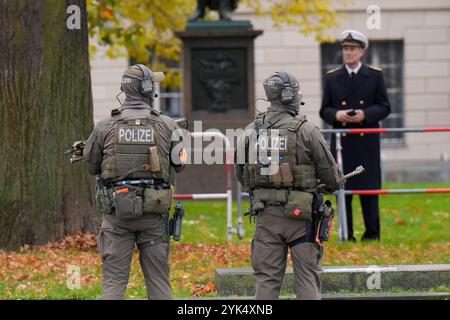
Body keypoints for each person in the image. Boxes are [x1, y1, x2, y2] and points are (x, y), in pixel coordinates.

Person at [236, 72, 345, 300]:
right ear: (288, 95)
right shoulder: (307, 130)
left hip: (266, 216)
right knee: (307, 280)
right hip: (302, 218)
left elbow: (242, 176)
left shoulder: (249, 131)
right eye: (296, 92)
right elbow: (332, 177)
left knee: (266, 281)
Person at [83, 64, 186, 300]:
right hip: (154, 215)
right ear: (147, 89)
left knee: (113, 281)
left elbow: (91, 166)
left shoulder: (105, 125)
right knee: (159, 281)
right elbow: (180, 164)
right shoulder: (167, 125)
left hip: (116, 214)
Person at [320, 30, 391, 241]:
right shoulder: (333, 77)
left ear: (362, 51)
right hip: (343, 141)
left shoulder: (375, 75)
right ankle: (346, 233)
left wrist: (364, 114)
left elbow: (385, 107)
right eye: (345, 49)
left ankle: (372, 234)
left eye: (352, 49)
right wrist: (338, 114)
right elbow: (325, 110)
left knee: (369, 190)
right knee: (344, 188)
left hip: (366, 140)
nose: (348, 53)